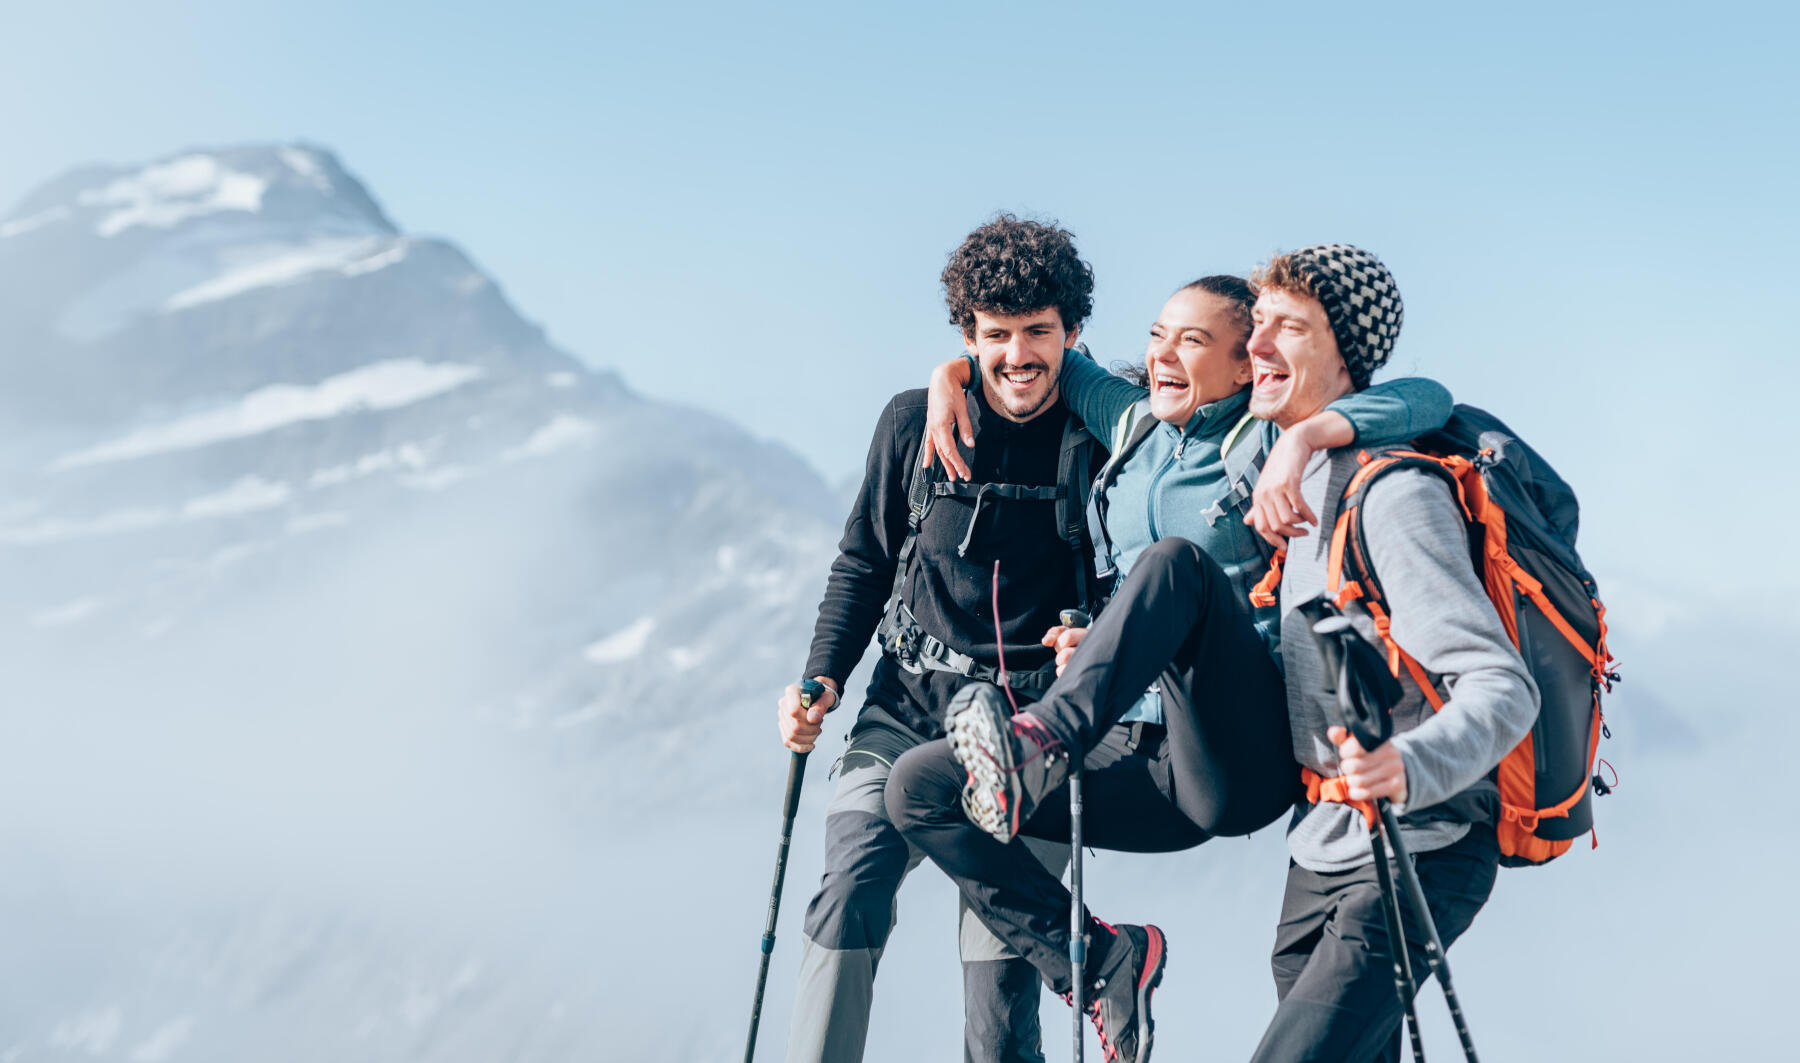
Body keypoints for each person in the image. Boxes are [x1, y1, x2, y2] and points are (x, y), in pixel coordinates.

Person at [885, 273, 1454, 1062]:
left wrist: (1304, 436)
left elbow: (1430, 397)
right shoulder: (1131, 423)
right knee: (918, 787)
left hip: (1237, 754)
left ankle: (1035, 737)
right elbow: (1026, 357)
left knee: (1175, 563)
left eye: (1191, 341)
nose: (1161, 355)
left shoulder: (1258, 438)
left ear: (1245, 365)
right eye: (1157, 335)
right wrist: (948, 379)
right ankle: (1102, 964)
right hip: (1135, 753)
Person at [778, 214, 1099, 1063]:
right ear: (968, 335)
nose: (1017, 356)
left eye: (1039, 332)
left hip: (1030, 732)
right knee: (847, 894)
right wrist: (821, 679)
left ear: (1073, 332)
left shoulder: (1098, 438)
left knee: (1000, 981)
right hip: (902, 708)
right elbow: (863, 562)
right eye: (995, 336)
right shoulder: (912, 422)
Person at [1235, 245, 1537, 1063]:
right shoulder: (1294, 480)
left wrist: (1407, 762)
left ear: (1347, 357)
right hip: (1321, 847)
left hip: (1420, 846)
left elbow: (1503, 687)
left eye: (1287, 328)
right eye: (1256, 324)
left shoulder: (1394, 493)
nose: (1255, 346)